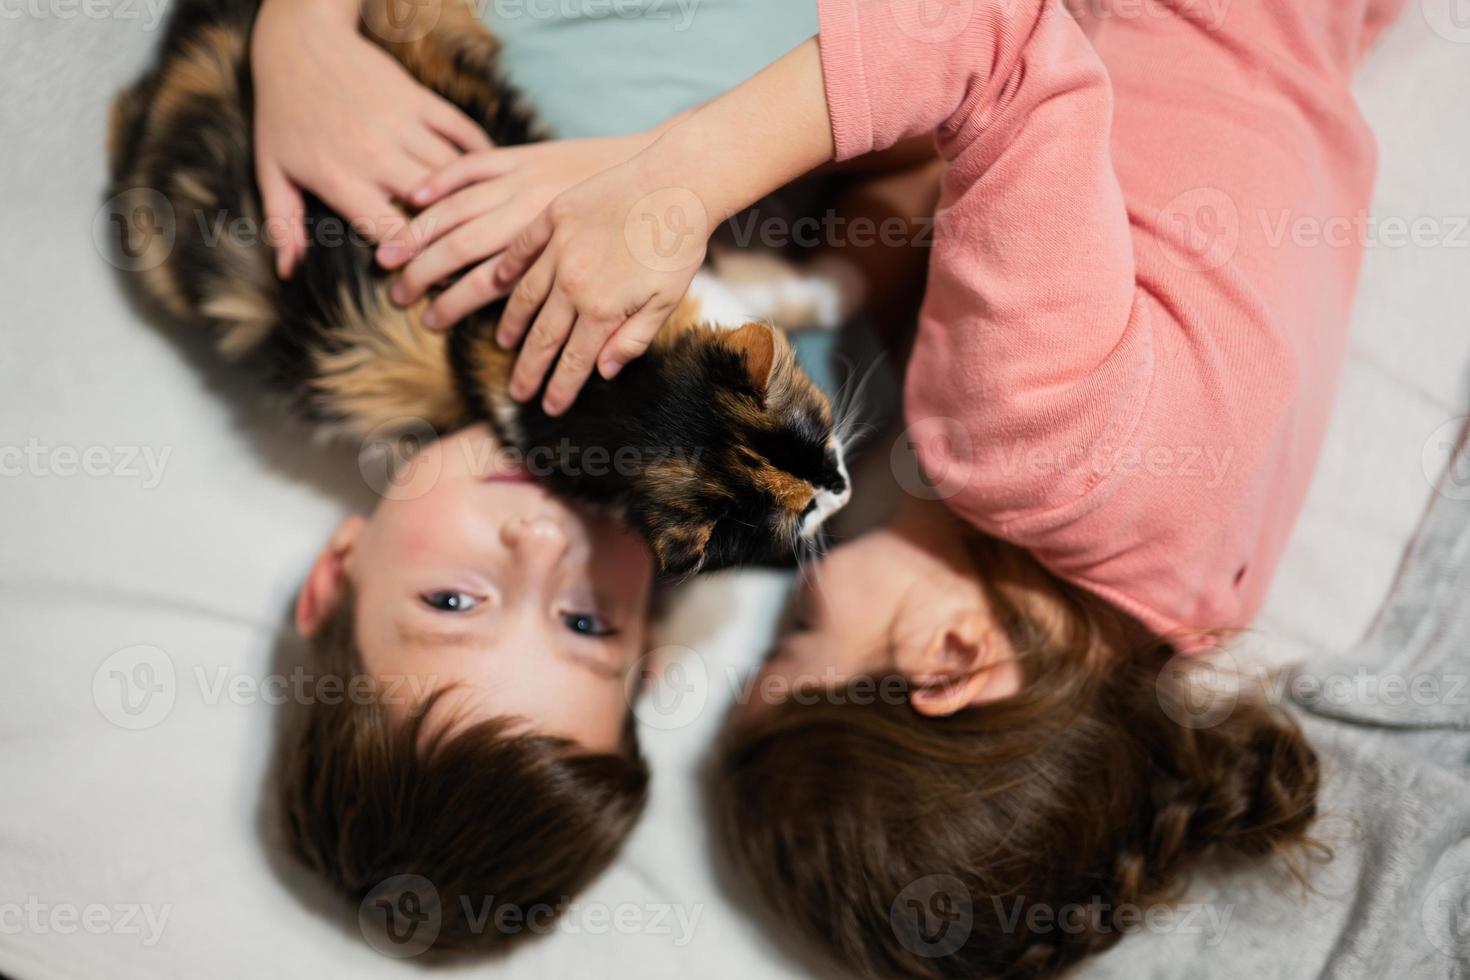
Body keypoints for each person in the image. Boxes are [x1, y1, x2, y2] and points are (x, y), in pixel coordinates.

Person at [389, 0, 1405, 973]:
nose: (798, 574)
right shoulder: (1021, 450)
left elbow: (1003, 219)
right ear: (951, 658)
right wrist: (672, 188)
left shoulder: (1204, 598)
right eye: (800, 633)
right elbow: (988, 36)